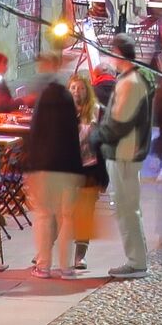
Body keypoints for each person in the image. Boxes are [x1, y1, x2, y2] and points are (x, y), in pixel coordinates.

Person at [93, 38, 153, 278]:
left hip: (124, 153)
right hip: (125, 151)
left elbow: (119, 122)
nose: (109, 59)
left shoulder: (130, 82)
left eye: (111, 53)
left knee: (126, 207)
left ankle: (136, 262)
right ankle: (138, 258)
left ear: (119, 53)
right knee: (129, 206)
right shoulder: (132, 79)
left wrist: (96, 137)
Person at [22, 69, 83, 278]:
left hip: (45, 168)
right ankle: (67, 268)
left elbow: (35, 136)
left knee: (43, 215)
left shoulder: (42, 101)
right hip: (68, 167)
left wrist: (31, 168)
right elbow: (74, 137)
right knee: (67, 217)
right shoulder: (67, 99)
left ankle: (43, 265)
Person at [67, 74, 107, 273]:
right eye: (73, 88)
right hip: (69, 168)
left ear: (87, 90)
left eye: (81, 88)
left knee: (85, 212)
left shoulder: (97, 112)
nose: (77, 92)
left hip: (90, 167)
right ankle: (45, 250)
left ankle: (80, 255)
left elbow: (104, 142)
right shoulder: (64, 112)